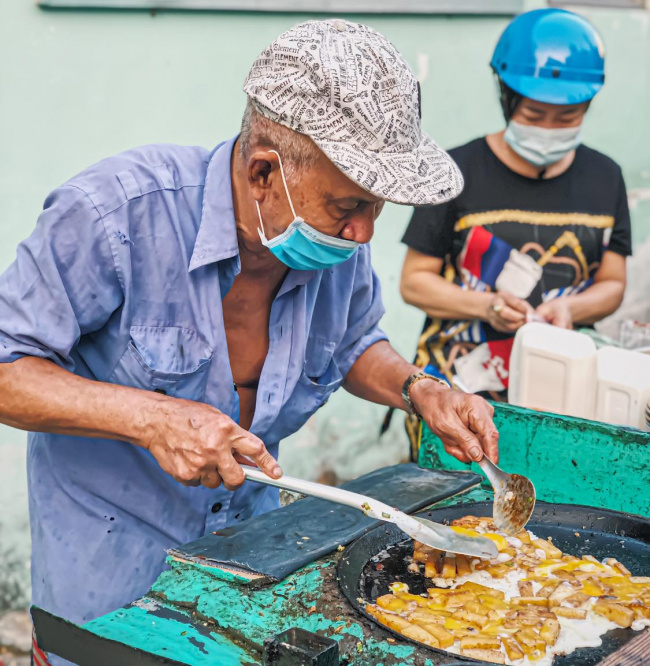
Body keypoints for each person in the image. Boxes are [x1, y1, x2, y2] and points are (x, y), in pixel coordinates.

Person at [0, 19, 498, 664]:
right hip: (107, 577)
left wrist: (419, 389)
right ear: (264, 172)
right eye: (348, 206)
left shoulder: (335, 248)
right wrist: (151, 419)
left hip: (249, 567)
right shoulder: (116, 213)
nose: (364, 233)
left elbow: (350, 344)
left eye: (378, 209)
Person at [399, 8, 631, 455]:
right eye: (535, 113)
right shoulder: (457, 171)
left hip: (566, 395)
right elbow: (414, 281)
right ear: (507, 98)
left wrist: (572, 310)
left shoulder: (606, 178)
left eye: (566, 118)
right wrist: (486, 306)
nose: (549, 129)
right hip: (461, 390)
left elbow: (614, 284)